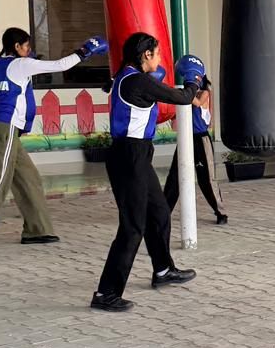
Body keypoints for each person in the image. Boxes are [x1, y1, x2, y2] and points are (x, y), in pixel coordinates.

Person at [0, 28, 106, 256]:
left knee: (29, 178)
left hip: (3, 130)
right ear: (17, 47)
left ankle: (37, 231)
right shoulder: (20, 64)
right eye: (27, 46)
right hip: (4, 130)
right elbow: (61, 65)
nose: (29, 50)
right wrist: (85, 51)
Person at [91, 33, 200, 312]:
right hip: (129, 156)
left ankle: (163, 269)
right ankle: (106, 293)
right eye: (157, 52)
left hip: (136, 155)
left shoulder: (125, 76)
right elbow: (184, 97)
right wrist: (194, 78)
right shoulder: (138, 81)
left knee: (159, 212)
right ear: (146, 55)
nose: (160, 58)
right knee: (132, 227)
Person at [162, 54, 227, 225]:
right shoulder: (183, 95)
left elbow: (197, 102)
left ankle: (220, 212)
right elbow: (175, 125)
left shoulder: (204, 93)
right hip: (186, 137)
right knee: (174, 176)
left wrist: (183, 91)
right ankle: (163, 212)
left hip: (201, 139)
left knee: (207, 178)